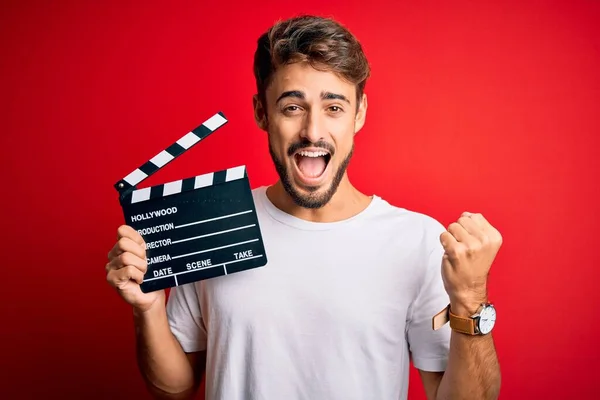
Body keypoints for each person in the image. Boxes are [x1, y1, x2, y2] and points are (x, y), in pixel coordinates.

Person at [105, 15, 502, 400]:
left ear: (359, 113)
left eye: (334, 107)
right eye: (292, 107)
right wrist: (149, 307)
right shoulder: (215, 224)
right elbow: (173, 389)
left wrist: (470, 298)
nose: (313, 131)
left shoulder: (416, 241)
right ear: (262, 112)